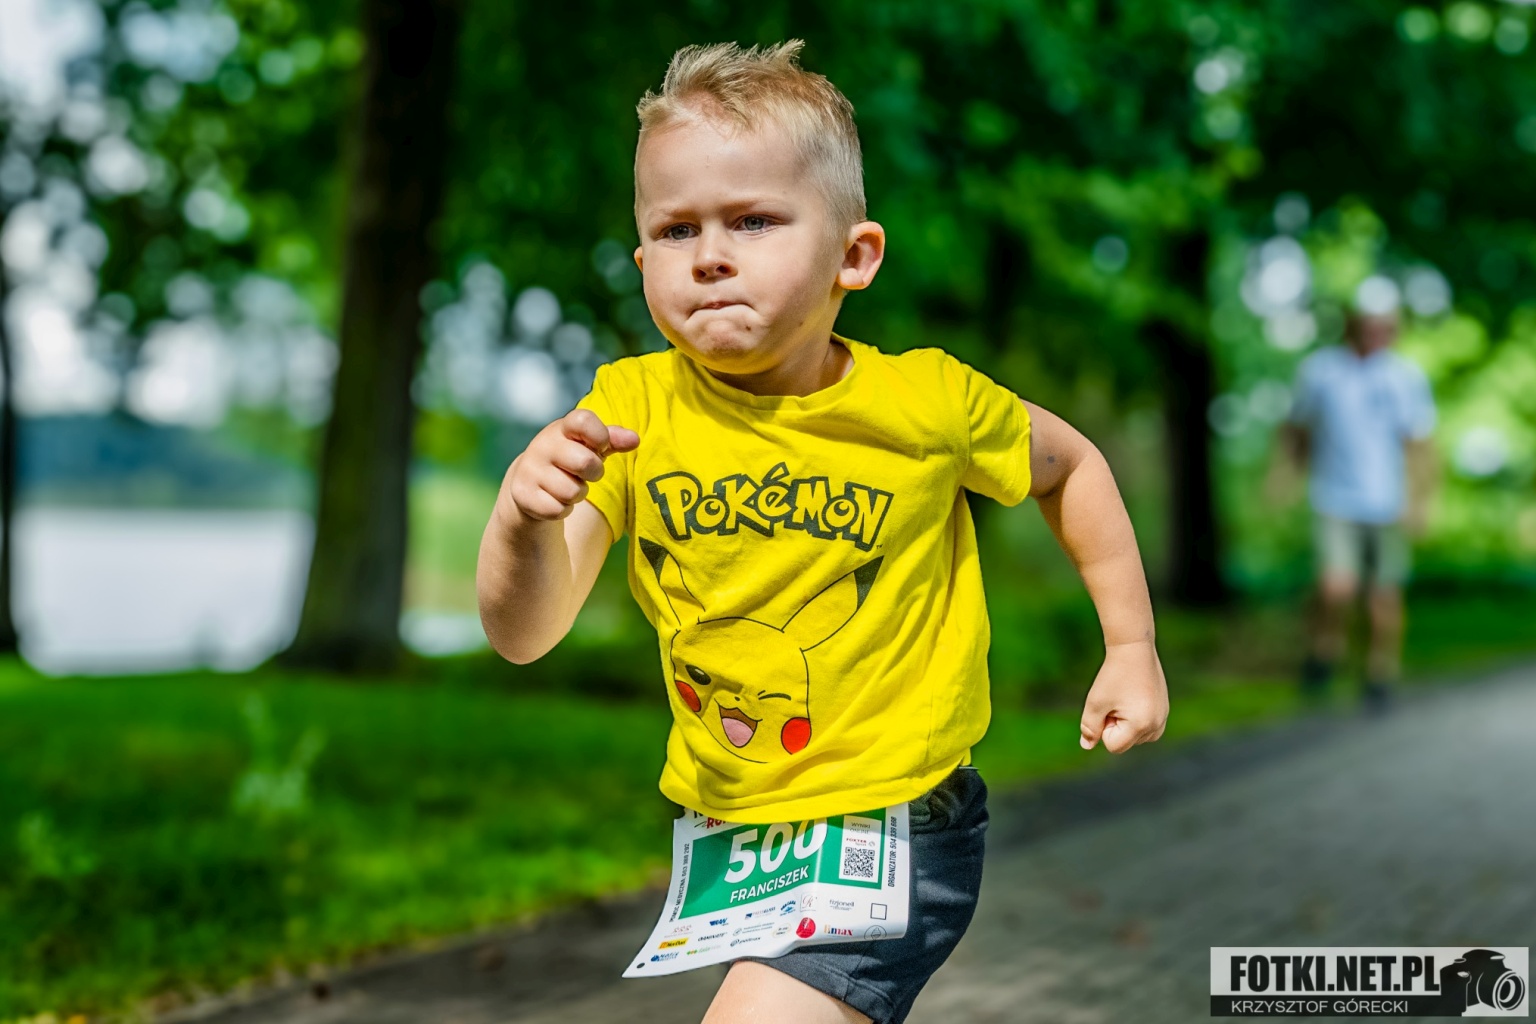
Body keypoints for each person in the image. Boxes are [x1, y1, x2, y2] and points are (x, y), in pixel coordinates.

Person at [476, 41, 1169, 1024]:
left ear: (855, 256)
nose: (710, 254)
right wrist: (522, 519)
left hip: (895, 824)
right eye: (676, 230)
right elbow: (524, 633)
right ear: (643, 263)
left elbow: (1072, 466)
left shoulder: (926, 402)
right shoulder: (626, 413)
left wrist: (1131, 645)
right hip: (738, 840)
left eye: (754, 220)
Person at [1278, 290, 1438, 711]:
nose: (1377, 332)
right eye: (1370, 323)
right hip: (1334, 499)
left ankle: (1380, 673)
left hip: (1387, 502)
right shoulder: (1321, 371)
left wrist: (1421, 500)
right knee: (1336, 587)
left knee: (1383, 595)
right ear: (1353, 323)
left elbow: (1419, 444)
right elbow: (1297, 428)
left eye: (1386, 325)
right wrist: (1285, 475)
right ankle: (1324, 650)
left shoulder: (1405, 377)